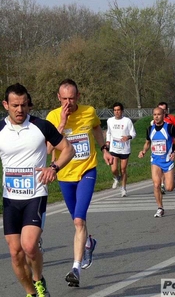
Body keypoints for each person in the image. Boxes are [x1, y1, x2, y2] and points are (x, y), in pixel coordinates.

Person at [1, 83, 75, 297]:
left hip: (35, 195)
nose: (19, 110)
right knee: (15, 253)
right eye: (15, 105)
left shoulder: (41, 126)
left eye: (24, 105)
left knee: (30, 246)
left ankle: (38, 279)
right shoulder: (0, 130)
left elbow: (67, 150)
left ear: (29, 105)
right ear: (6, 105)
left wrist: (54, 167)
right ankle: (31, 293)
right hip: (10, 199)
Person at [46, 79, 114, 288]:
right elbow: (47, 149)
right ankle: (89, 242)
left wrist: (103, 149)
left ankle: (76, 267)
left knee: (78, 220)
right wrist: (62, 124)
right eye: (64, 98)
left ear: (78, 96)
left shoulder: (89, 111)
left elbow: (96, 128)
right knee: (78, 220)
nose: (69, 102)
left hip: (86, 171)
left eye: (72, 98)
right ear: (58, 98)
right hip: (65, 175)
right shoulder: (52, 117)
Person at [138, 107, 175, 217]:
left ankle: (174, 179)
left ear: (163, 115)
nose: (156, 117)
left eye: (159, 114)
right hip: (155, 161)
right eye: (154, 114)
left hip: (168, 160)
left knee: (169, 188)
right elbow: (147, 143)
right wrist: (143, 151)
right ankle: (160, 207)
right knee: (156, 184)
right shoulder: (150, 129)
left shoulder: (170, 128)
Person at [106, 102, 136, 197]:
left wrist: (128, 137)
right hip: (114, 148)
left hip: (124, 149)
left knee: (123, 169)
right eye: (115, 110)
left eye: (118, 110)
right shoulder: (110, 121)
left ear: (122, 111)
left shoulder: (127, 121)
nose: (116, 112)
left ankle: (123, 188)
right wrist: (107, 142)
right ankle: (116, 177)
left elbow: (133, 133)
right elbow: (109, 132)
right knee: (114, 169)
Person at [156, 102, 175, 193]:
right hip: (159, 146)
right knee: (160, 165)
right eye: (160, 109)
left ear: (166, 110)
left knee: (167, 163)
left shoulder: (171, 118)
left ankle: (172, 177)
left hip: (170, 145)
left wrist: (172, 130)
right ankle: (163, 184)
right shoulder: (155, 120)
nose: (161, 111)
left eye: (163, 110)